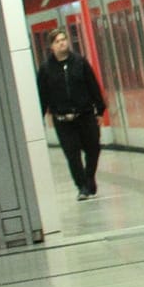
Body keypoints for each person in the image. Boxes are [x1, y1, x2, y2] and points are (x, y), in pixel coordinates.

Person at [36, 30, 106, 200]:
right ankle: (82, 186)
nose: (62, 43)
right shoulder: (46, 70)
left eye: (64, 39)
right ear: (51, 46)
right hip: (62, 120)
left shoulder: (80, 63)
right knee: (72, 154)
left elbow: (93, 85)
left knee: (93, 148)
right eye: (58, 41)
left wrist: (100, 109)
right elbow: (42, 94)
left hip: (85, 115)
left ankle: (89, 178)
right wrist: (39, 116)